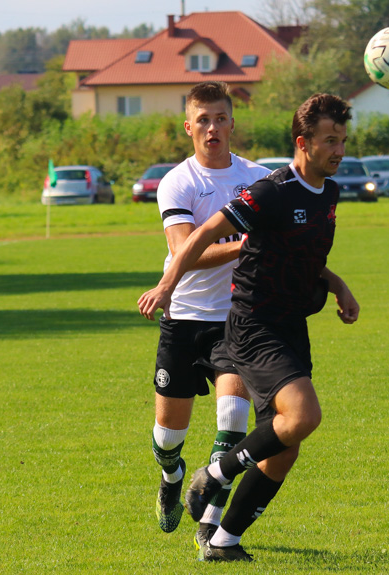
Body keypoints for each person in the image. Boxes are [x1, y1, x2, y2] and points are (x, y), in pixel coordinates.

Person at [138, 93, 360, 562]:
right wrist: (164, 286)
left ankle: (221, 539)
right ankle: (193, 475)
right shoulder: (256, 189)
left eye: (342, 140)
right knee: (172, 436)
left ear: (233, 123)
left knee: (282, 441)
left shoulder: (323, 192)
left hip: (276, 325)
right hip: (222, 320)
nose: (339, 150)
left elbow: (305, 255)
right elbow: (194, 240)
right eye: (330, 141)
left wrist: (338, 285)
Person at [148, 81, 271, 544]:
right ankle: (172, 478)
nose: (213, 127)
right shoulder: (179, 181)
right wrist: (246, 243)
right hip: (183, 317)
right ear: (188, 128)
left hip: (235, 319)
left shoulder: (259, 179)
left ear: (233, 123)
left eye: (220, 118)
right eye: (203, 120)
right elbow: (185, 251)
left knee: (234, 420)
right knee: (167, 440)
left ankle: (211, 525)